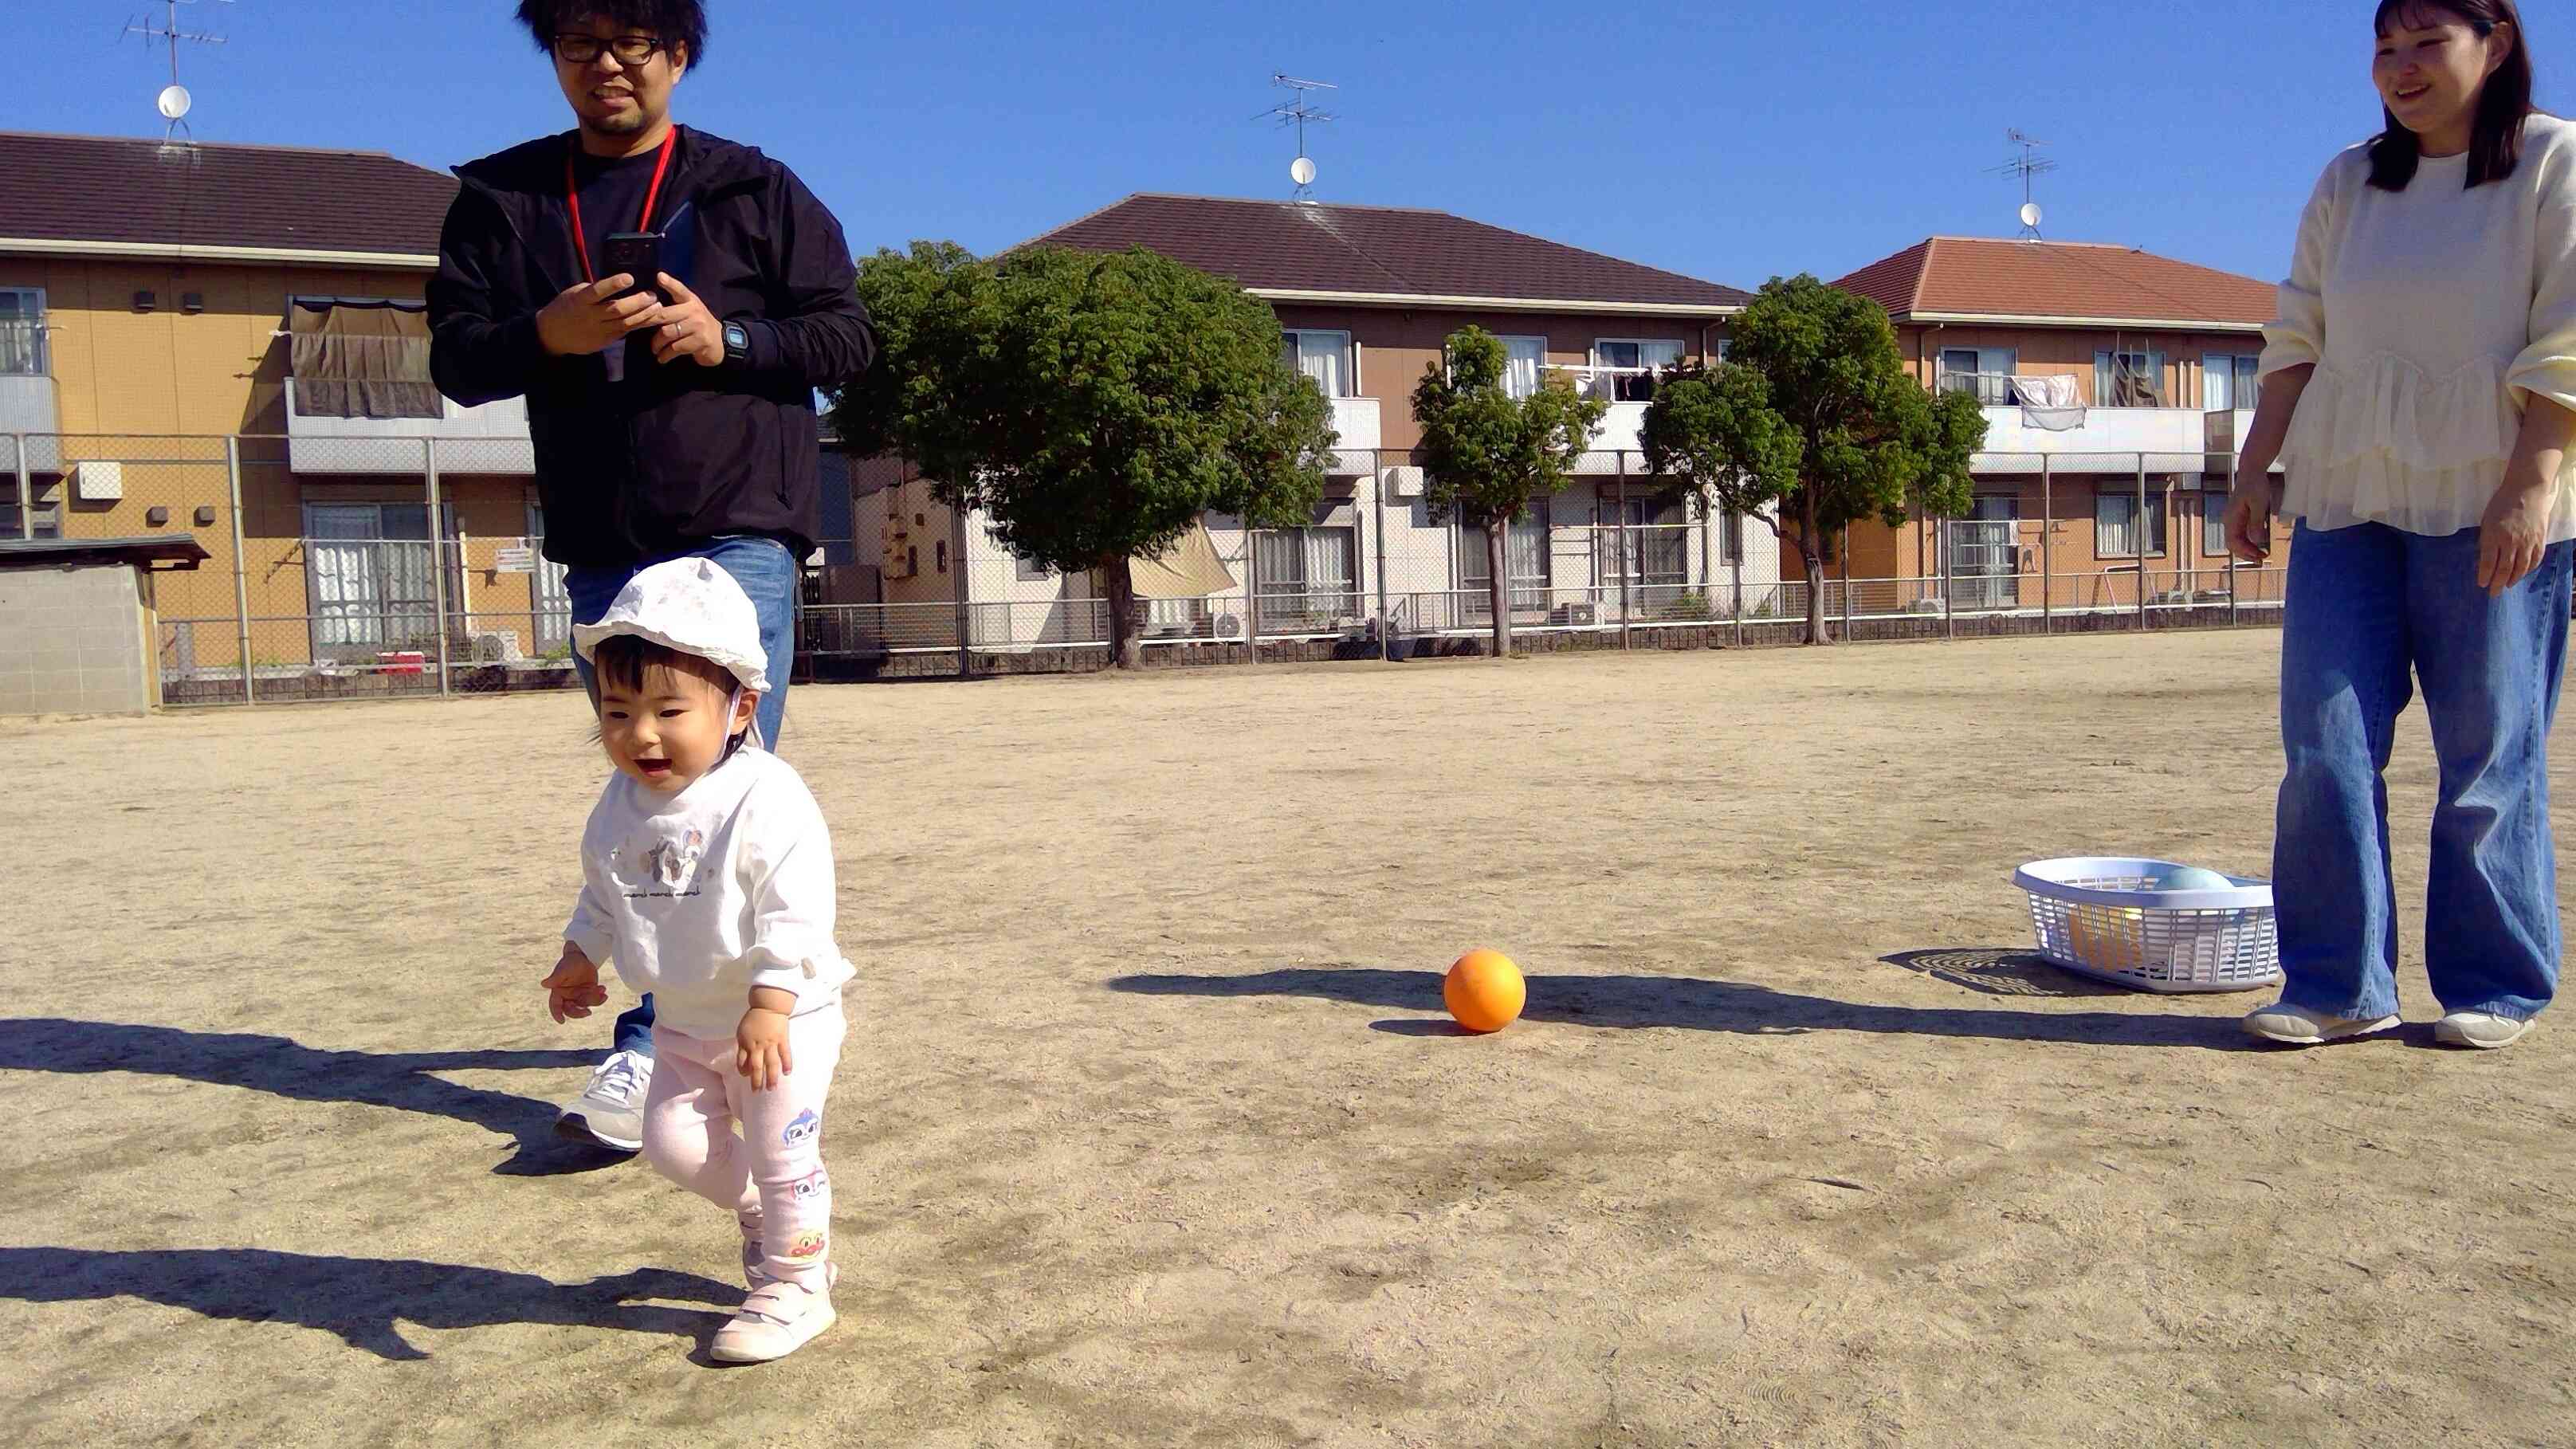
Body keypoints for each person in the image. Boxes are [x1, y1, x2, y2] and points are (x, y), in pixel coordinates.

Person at [428, 0, 875, 1149]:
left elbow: (844, 335)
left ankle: (706, 1031)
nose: (609, 66)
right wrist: (549, 333)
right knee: (649, 781)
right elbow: (456, 355)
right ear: (555, 61)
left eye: (635, 44)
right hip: (604, 537)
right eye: (582, 46)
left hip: (738, 521)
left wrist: (733, 342)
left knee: (728, 779)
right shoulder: (503, 199)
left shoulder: (751, 187)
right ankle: (676, 1036)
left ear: (679, 56)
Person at [2227, 0, 2576, 1050]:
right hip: (2345, 497)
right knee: (2323, 745)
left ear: (2497, 43)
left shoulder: (2554, 164)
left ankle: (2496, 983)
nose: (2402, 66)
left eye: (2429, 42)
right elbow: (2299, 329)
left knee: (2487, 752)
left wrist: (2532, 483)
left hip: (2494, 499)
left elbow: (2570, 336)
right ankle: (2340, 984)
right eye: (2386, 46)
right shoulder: (2350, 180)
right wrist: (2256, 464)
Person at [551, 556, 854, 1362]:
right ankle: (776, 1212)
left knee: (783, 1150)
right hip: (685, 1022)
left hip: (779, 1021)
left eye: (668, 710)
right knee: (672, 1147)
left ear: (739, 708)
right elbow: (602, 893)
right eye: (616, 712)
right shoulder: (619, 806)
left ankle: (798, 1284)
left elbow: (797, 906)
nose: (639, 734)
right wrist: (580, 955)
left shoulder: (766, 795)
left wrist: (772, 1002)